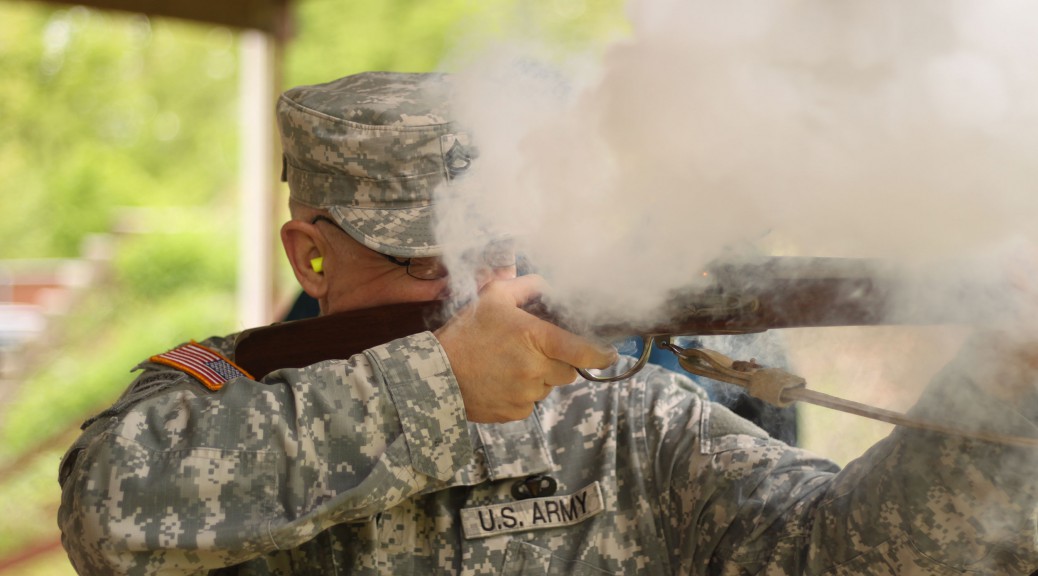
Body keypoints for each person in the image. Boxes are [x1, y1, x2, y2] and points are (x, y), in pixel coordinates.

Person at [58, 71, 1038, 575]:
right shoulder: (213, 394)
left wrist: (999, 375)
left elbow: (842, 557)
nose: (475, 284)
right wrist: (440, 388)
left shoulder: (626, 416)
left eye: (494, 245)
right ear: (310, 255)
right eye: (422, 256)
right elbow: (109, 521)